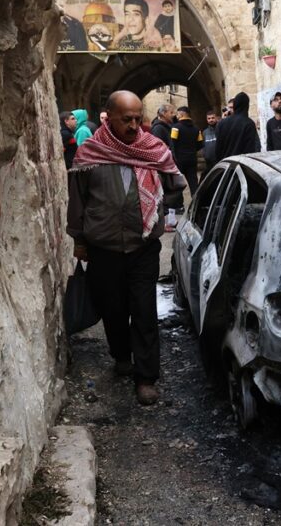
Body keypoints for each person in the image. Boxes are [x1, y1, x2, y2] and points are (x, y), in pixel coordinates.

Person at [67, 90, 182, 406]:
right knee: (113, 308)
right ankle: (121, 355)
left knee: (144, 311)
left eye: (137, 118)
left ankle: (146, 377)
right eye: (126, 119)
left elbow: (175, 182)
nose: (134, 126)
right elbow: (77, 198)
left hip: (142, 246)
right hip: (102, 247)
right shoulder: (90, 153)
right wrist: (78, 238)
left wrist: (156, 210)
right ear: (109, 117)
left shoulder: (152, 149)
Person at [215, 92, 261, 161]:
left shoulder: (221, 123)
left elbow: (217, 149)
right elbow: (253, 149)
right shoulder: (249, 123)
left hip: (225, 166)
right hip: (241, 167)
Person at [170, 106, 204, 196]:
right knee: (193, 184)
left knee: (177, 184)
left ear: (181, 114)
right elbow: (200, 145)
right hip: (192, 158)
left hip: (179, 160)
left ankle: (178, 205)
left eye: (177, 114)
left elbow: (172, 143)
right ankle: (196, 204)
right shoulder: (197, 129)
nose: (176, 116)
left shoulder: (175, 128)